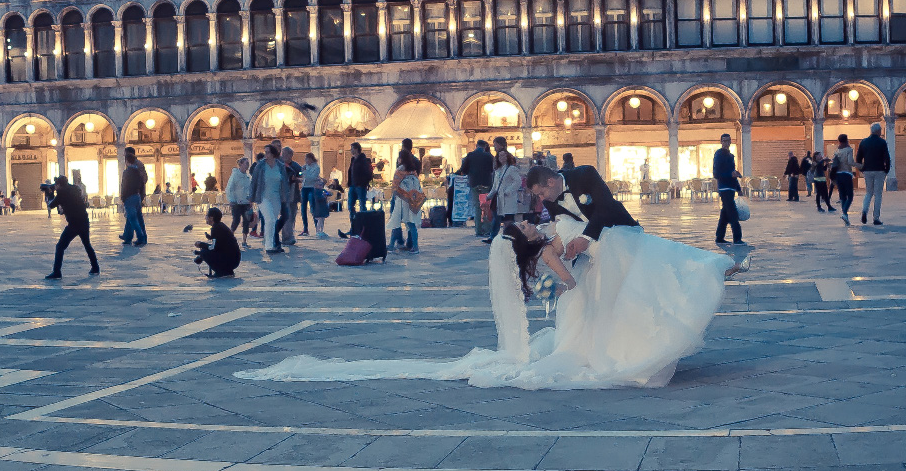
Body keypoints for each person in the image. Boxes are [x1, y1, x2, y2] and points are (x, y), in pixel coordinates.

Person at [238, 165, 740, 390]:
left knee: (664, 275)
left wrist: (580, 241)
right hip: (605, 260)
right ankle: (635, 345)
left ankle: (713, 272)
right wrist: (569, 253)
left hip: (623, 247)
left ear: (548, 184)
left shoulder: (574, 192)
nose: (536, 207)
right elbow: (568, 246)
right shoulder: (549, 227)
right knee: (626, 302)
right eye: (534, 206)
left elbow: (601, 215)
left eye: (538, 198)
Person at [44, 174, 99, 279]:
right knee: (87, 244)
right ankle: (95, 268)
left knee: (60, 246)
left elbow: (50, 205)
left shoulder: (62, 193)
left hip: (74, 223)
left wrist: (50, 194)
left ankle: (56, 272)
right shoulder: (74, 189)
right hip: (83, 220)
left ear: (59, 185)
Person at [250, 143, 288, 254]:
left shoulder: (280, 166)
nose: (265, 154)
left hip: (276, 197)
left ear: (273, 154)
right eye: (265, 152)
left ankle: (270, 242)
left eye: (267, 152)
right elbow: (254, 182)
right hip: (263, 197)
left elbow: (284, 182)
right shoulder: (260, 166)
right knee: (270, 219)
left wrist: (285, 196)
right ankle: (268, 246)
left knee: (273, 220)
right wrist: (251, 198)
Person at [489, 149, 527, 241]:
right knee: (499, 217)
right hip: (499, 198)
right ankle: (499, 236)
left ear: (507, 157)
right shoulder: (498, 170)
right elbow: (495, 185)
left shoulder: (511, 169)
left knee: (508, 219)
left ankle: (508, 237)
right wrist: (490, 195)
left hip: (508, 198)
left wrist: (508, 191)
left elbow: (517, 181)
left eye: (504, 156)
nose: (502, 158)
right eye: (500, 156)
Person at [713, 133, 743, 245]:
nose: (726, 143)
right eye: (724, 141)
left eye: (728, 141)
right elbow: (716, 173)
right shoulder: (719, 155)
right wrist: (730, 174)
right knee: (733, 214)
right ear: (721, 142)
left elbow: (733, 172)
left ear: (730, 142)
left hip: (731, 188)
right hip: (724, 188)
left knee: (725, 215)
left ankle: (719, 238)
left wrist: (738, 188)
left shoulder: (730, 156)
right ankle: (737, 238)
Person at [462, 139, 496, 239]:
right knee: (486, 206)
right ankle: (487, 229)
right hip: (486, 183)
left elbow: (464, 169)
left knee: (477, 206)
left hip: (474, 183)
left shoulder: (470, 155)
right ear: (485, 146)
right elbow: (492, 169)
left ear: (476, 145)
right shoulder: (489, 156)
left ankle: (478, 230)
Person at [389, 156, 423, 254]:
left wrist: (394, 197)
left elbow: (395, 185)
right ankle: (415, 247)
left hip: (401, 199)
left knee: (396, 221)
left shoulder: (400, 170)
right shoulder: (413, 171)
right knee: (411, 224)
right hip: (412, 199)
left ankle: (391, 245)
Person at [858, 122, 891, 226]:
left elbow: (858, 158)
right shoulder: (882, 142)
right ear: (878, 131)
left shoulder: (863, 142)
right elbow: (887, 157)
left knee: (868, 193)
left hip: (867, 170)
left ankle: (864, 211)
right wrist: (887, 170)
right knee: (878, 194)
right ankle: (876, 218)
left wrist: (862, 168)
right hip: (879, 170)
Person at [196, 207, 241, 278]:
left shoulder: (216, 228)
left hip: (231, 260)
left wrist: (200, 244)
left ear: (211, 218)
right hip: (234, 259)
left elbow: (213, 248)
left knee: (204, 252)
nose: (205, 218)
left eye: (207, 216)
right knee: (205, 250)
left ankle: (221, 272)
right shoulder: (220, 226)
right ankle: (226, 271)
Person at [118, 147, 148, 246]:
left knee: (135, 218)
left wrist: (123, 197)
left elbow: (142, 180)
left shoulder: (135, 166)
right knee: (131, 217)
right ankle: (127, 236)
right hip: (137, 194)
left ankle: (141, 237)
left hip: (133, 195)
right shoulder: (136, 167)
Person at [224, 158, 253, 249]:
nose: (247, 165)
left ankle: (244, 241)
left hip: (246, 202)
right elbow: (229, 188)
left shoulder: (248, 176)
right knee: (236, 220)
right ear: (240, 164)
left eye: (248, 163)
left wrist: (251, 199)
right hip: (236, 202)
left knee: (246, 221)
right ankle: (229, 238)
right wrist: (231, 199)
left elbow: (250, 189)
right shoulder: (235, 175)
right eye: (246, 163)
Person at [345, 142, 373, 234]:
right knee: (350, 206)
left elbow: (367, 173)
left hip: (360, 186)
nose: (351, 150)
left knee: (362, 207)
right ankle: (354, 227)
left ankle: (363, 228)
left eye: (352, 148)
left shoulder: (363, 159)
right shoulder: (353, 159)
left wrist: (363, 183)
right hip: (353, 186)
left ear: (356, 149)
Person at [830, 134, 858, 223]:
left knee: (843, 197)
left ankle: (845, 216)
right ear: (847, 140)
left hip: (838, 175)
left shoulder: (836, 151)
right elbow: (850, 162)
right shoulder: (849, 150)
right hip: (846, 174)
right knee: (850, 196)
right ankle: (844, 213)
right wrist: (859, 165)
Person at [301, 152, 327, 238]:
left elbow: (312, 177)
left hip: (312, 188)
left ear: (311, 159)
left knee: (313, 207)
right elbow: (302, 176)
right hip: (304, 187)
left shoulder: (316, 167)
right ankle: (305, 228)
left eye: (307, 159)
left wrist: (305, 172)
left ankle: (317, 228)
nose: (305, 161)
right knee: (303, 209)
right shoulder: (305, 167)